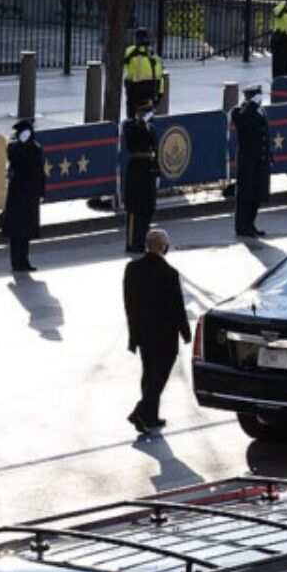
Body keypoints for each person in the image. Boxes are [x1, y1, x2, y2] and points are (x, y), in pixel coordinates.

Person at [123, 229, 191, 434]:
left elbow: (129, 302)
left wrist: (133, 333)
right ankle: (141, 412)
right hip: (164, 334)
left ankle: (151, 416)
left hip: (143, 332)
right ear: (162, 246)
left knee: (149, 373)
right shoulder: (169, 272)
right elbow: (176, 306)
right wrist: (186, 333)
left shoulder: (132, 268)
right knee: (159, 376)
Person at [3, 119, 46, 272]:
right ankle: (16, 262)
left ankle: (25, 260)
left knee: (26, 230)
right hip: (18, 194)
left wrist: (42, 191)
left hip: (30, 195)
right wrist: (19, 144)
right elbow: (14, 161)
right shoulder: (14, 148)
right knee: (16, 231)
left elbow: (41, 172)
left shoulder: (36, 149)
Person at [230, 84, 271, 238]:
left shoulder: (260, 111)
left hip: (259, 161)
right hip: (247, 162)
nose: (259, 101)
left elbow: (264, 135)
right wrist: (251, 104)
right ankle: (242, 226)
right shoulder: (240, 112)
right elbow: (243, 122)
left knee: (256, 195)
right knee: (245, 196)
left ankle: (251, 224)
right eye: (256, 98)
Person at [122, 103, 159, 253]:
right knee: (135, 207)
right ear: (138, 113)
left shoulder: (151, 128)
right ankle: (132, 242)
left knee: (147, 207)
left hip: (149, 169)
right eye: (145, 113)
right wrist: (142, 123)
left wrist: (157, 172)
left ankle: (143, 240)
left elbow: (154, 149)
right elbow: (135, 139)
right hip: (137, 168)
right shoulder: (130, 126)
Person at [122, 28, 164, 117]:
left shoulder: (130, 51)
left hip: (136, 91)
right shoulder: (155, 57)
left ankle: (131, 121)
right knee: (149, 115)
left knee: (132, 115)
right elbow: (161, 78)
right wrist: (159, 96)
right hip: (153, 91)